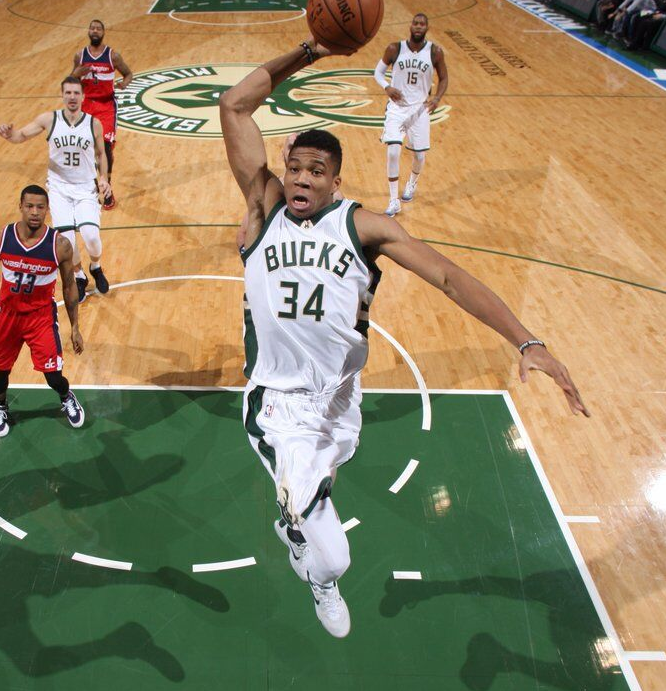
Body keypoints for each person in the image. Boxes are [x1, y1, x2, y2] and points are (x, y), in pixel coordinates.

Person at [219, 37, 587, 638]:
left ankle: (300, 511)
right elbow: (234, 105)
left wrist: (527, 341)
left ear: (336, 182)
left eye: (316, 172)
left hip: (340, 397)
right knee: (334, 556)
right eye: (295, 169)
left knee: (323, 482)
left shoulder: (364, 227)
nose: (302, 179)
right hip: (278, 405)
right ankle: (313, 563)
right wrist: (312, 50)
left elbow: (448, 276)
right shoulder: (263, 208)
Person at [0, 185, 86, 438]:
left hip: (40, 316)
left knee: (53, 376)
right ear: (20, 206)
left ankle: (66, 396)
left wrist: (75, 327)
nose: (35, 212)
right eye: (29, 206)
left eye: (40, 207)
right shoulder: (1, 238)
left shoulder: (59, 245)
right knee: (1, 371)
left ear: (47, 209)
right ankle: (1, 407)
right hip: (6, 314)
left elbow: (69, 285)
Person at [0, 76, 111, 303]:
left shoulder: (93, 123)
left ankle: (96, 266)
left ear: (83, 96)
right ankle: (79, 275)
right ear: (62, 95)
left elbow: (101, 154)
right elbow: (21, 135)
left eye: (76, 93)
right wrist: (10, 135)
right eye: (68, 93)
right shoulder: (49, 119)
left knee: (91, 236)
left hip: (85, 187)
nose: (72, 97)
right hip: (59, 189)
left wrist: (104, 178)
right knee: (66, 241)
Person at [373, 13, 448, 217]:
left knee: (419, 155)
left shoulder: (435, 52)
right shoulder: (394, 49)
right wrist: (387, 87)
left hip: (420, 110)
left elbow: (444, 78)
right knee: (393, 152)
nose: (418, 26)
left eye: (422, 24)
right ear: (410, 26)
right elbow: (378, 72)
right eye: (416, 23)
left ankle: (412, 183)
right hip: (397, 108)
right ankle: (393, 200)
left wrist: (437, 98)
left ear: (427, 28)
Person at [72, 18, 132, 210]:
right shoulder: (80, 56)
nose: (95, 31)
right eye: (92, 28)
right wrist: (76, 74)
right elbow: (71, 80)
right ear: (88, 32)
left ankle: (107, 188)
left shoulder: (113, 56)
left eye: (98, 28)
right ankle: (90, 186)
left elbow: (128, 73)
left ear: (103, 32)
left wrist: (124, 83)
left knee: (105, 149)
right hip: (87, 105)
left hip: (106, 106)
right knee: (87, 150)